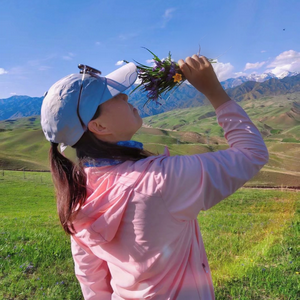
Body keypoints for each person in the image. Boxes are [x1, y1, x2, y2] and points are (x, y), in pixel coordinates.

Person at [41, 55, 269, 300]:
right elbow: (251, 153)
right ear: (98, 127)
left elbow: (91, 279)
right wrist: (215, 92)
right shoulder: (161, 179)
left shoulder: (76, 195)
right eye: (111, 97)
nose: (125, 96)